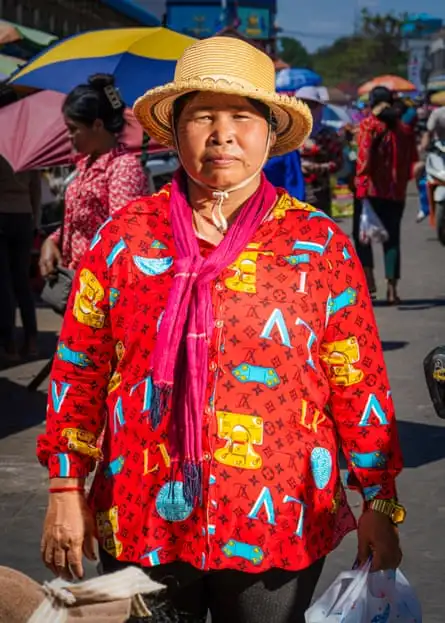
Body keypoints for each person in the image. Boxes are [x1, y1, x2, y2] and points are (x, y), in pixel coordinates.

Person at [38, 37, 404, 623]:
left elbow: (357, 381)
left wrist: (379, 501)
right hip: (141, 512)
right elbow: (78, 368)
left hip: (277, 517)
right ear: (174, 129)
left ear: (268, 131)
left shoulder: (316, 244)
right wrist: (64, 489)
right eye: (202, 117)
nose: (222, 134)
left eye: (241, 117)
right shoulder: (125, 237)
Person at [39, 74, 148, 278]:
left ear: (97, 125)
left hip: (102, 287)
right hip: (81, 283)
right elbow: (79, 222)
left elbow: (123, 237)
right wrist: (52, 240)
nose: (69, 137)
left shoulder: (123, 169)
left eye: (73, 129)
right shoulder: (88, 164)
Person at [355, 86, 418, 305]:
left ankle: (370, 281)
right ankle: (392, 290)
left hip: (372, 191)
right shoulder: (403, 128)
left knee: (363, 237)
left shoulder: (369, 126)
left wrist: (360, 188)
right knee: (392, 239)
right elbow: (413, 158)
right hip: (397, 192)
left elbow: (363, 160)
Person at [0, 155, 40, 360]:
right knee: (22, 282)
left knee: (4, 284)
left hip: (3, 214)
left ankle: (9, 344)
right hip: (24, 217)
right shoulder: (27, 153)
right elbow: (36, 190)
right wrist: (36, 222)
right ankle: (31, 340)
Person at [295, 86, 343, 215]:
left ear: (319, 108)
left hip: (318, 193)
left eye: (311, 105)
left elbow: (337, 163)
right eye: (301, 104)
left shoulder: (327, 135)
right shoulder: (290, 134)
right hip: (292, 192)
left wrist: (315, 167)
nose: (306, 109)